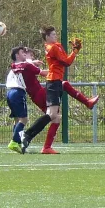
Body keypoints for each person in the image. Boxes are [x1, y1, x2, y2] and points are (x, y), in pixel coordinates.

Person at [20, 26, 86, 154]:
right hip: (52, 82)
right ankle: (27, 135)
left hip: (53, 82)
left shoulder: (54, 46)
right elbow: (67, 62)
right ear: (47, 37)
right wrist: (75, 52)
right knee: (52, 114)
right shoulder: (53, 47)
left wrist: (73, 51)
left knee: (56, 117)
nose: (56, 36)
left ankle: (45, 147)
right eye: (53, 34)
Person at [6, 46, 48, 153]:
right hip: (18, 92)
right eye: (22, 52)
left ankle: (18, 142)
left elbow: (24, 65)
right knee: (24, 120)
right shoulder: (27, 65)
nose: (25, 53)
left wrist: (32, 61)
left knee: (17, 120)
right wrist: (57, 70)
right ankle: (14, 142)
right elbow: (42, 73)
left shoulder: (14, 65)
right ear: (17, 55)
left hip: (9, 93)